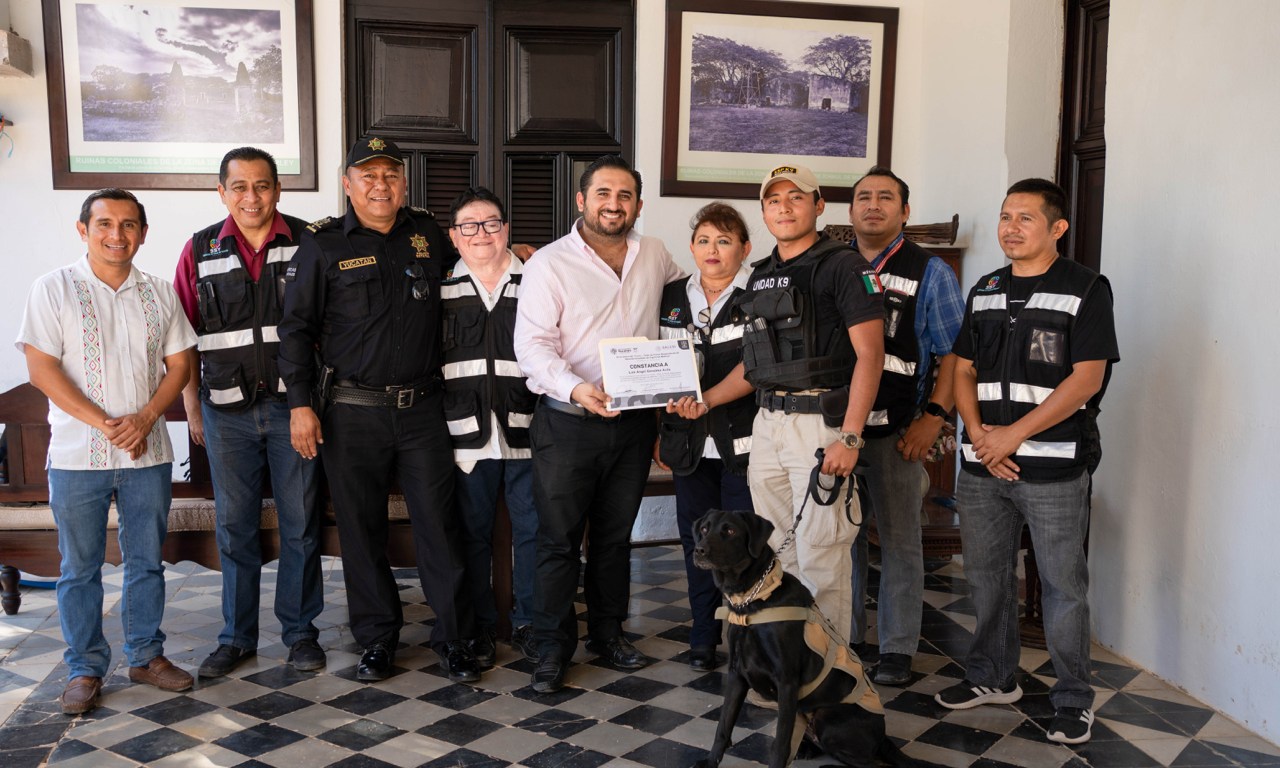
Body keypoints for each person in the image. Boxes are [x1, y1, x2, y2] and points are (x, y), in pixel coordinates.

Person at [277, 136, 480, 683]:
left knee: (440, 525)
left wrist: (521, 254)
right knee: (361, 531)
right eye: (368, 175)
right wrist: (300, 405)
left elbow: (478, 271)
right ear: (348, 185)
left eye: (390, 174)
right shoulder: (322, 244)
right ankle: (377, 639)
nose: (380, 185)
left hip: (423, 410)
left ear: (404, 183)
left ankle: (454, 639)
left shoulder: (428, 235)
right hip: (351, 412)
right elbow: (294, 331)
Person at [934, 178, 1118, 747]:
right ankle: (993, 677)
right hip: (984, 464)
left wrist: (1012, 436)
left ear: (1057, 228)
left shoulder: (1085, 288)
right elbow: (963, 368)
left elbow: (1086, 380)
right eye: (1005, 216)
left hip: (1052, 467)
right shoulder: (986, 288)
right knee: (987, 578)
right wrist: (979, 434)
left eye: (1025, 218)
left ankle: (1073, 700)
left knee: (1063, 587)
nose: (1010, 228)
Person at [17, 188, 197, 714]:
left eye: (128, 224)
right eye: (104, 224)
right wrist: (108, 424)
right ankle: (84, 667)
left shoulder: (160, 293)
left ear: (143, 232)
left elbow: (181, 366)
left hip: (148, 454)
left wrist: (145, 418)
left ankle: (145, 656)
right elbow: (41, 369)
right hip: (78, 458)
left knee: (146, 562)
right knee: (79, 568)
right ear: (83, 230)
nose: (117, 234)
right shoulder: (53, 289)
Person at [514, 155, 685, 693]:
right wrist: (575, 388)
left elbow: (685, 303)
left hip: (633, 424)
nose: (614, 204)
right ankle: (551, 646)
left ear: (638, 204)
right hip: (568, 422)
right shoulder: (549, 263)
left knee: (614, 539)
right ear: (582, 200)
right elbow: (531, 347)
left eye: (625, 195)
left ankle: (608, 634)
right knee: (558, 541)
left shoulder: (655, 253)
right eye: (603, 194)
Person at [693, 164, 884, 642]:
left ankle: (830, 669)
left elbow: (871, 355)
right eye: (774, 200)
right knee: (777, 553)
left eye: (796, 197)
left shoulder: (844, 266)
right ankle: (791, 663)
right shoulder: (761, 276)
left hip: (820, 425)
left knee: (822, 553)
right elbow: (755, 364)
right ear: (764, 212)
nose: (784, 207)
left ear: (818, 206)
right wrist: (705, 400)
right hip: (768, 423)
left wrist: (850, 437)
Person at [174, 147, 325, 679]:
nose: (251, 197)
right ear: (222, 193)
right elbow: (181, 338)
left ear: (278, 190)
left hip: (294, 410)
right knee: (235, 527)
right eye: (239, 186)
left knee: (300, 525)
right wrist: (193, 408)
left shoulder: (310, 242)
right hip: (225, 413)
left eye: (262, 185)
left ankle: (301, 633)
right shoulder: (199, 249)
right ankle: (236, 637)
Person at [846, 167, 964, 686]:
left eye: (886, 197)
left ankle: (896, 648)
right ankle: (845, 637)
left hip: (898, 432)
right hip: (836, 431)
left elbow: (956, 353)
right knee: (840, 540)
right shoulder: (833, 263)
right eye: (864, 197)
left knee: (899, 542)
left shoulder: (931, 271)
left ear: (905, 211)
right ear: (851, 210)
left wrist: (933, 418)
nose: (873, 205)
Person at [441, 186, 540, 666]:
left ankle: (532, 623)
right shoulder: (438, 289)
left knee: (535, 532)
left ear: (506, 229)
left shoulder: (538, 280)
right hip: (465, 434)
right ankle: (478, 626)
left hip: (531, 430)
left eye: (491, 223)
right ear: (454, 236)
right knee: (471, 535)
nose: (481, 233)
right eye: (469, 226)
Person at [656, 202, 756, 672]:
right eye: (703, 240)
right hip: (688, 444)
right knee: (696, 543)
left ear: (744, 248)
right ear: (692, 247)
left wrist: (709, 399)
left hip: (745, 445)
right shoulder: (671, 295)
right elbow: (651, 364)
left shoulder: (759, 292)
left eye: (724, 240)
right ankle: (703, 634)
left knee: (743, 545)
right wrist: (659, 428)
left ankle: (745, 636)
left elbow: (760, 364)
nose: (712, 250)